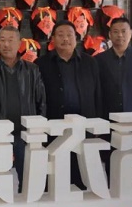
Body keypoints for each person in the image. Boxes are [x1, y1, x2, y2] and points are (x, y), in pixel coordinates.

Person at [0, 26, 46, 192]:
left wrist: (40, 128)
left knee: (27, 177)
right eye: (3, 40)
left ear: (19, 43)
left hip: (25, 132)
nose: (6, 44)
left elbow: (41, 100)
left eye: (11, 40)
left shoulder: (32, 69)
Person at [35, 20, 103, 188]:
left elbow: (97, 94)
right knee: (56, 174)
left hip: (83, 126)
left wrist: (97, 124)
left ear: (76, 38)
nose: (65, 39)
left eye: (69, 35)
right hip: (54, 126)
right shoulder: (41, 64)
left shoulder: (90, 62)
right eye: (60, 35)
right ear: (52, 39)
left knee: (83, 173)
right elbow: (36, 98)